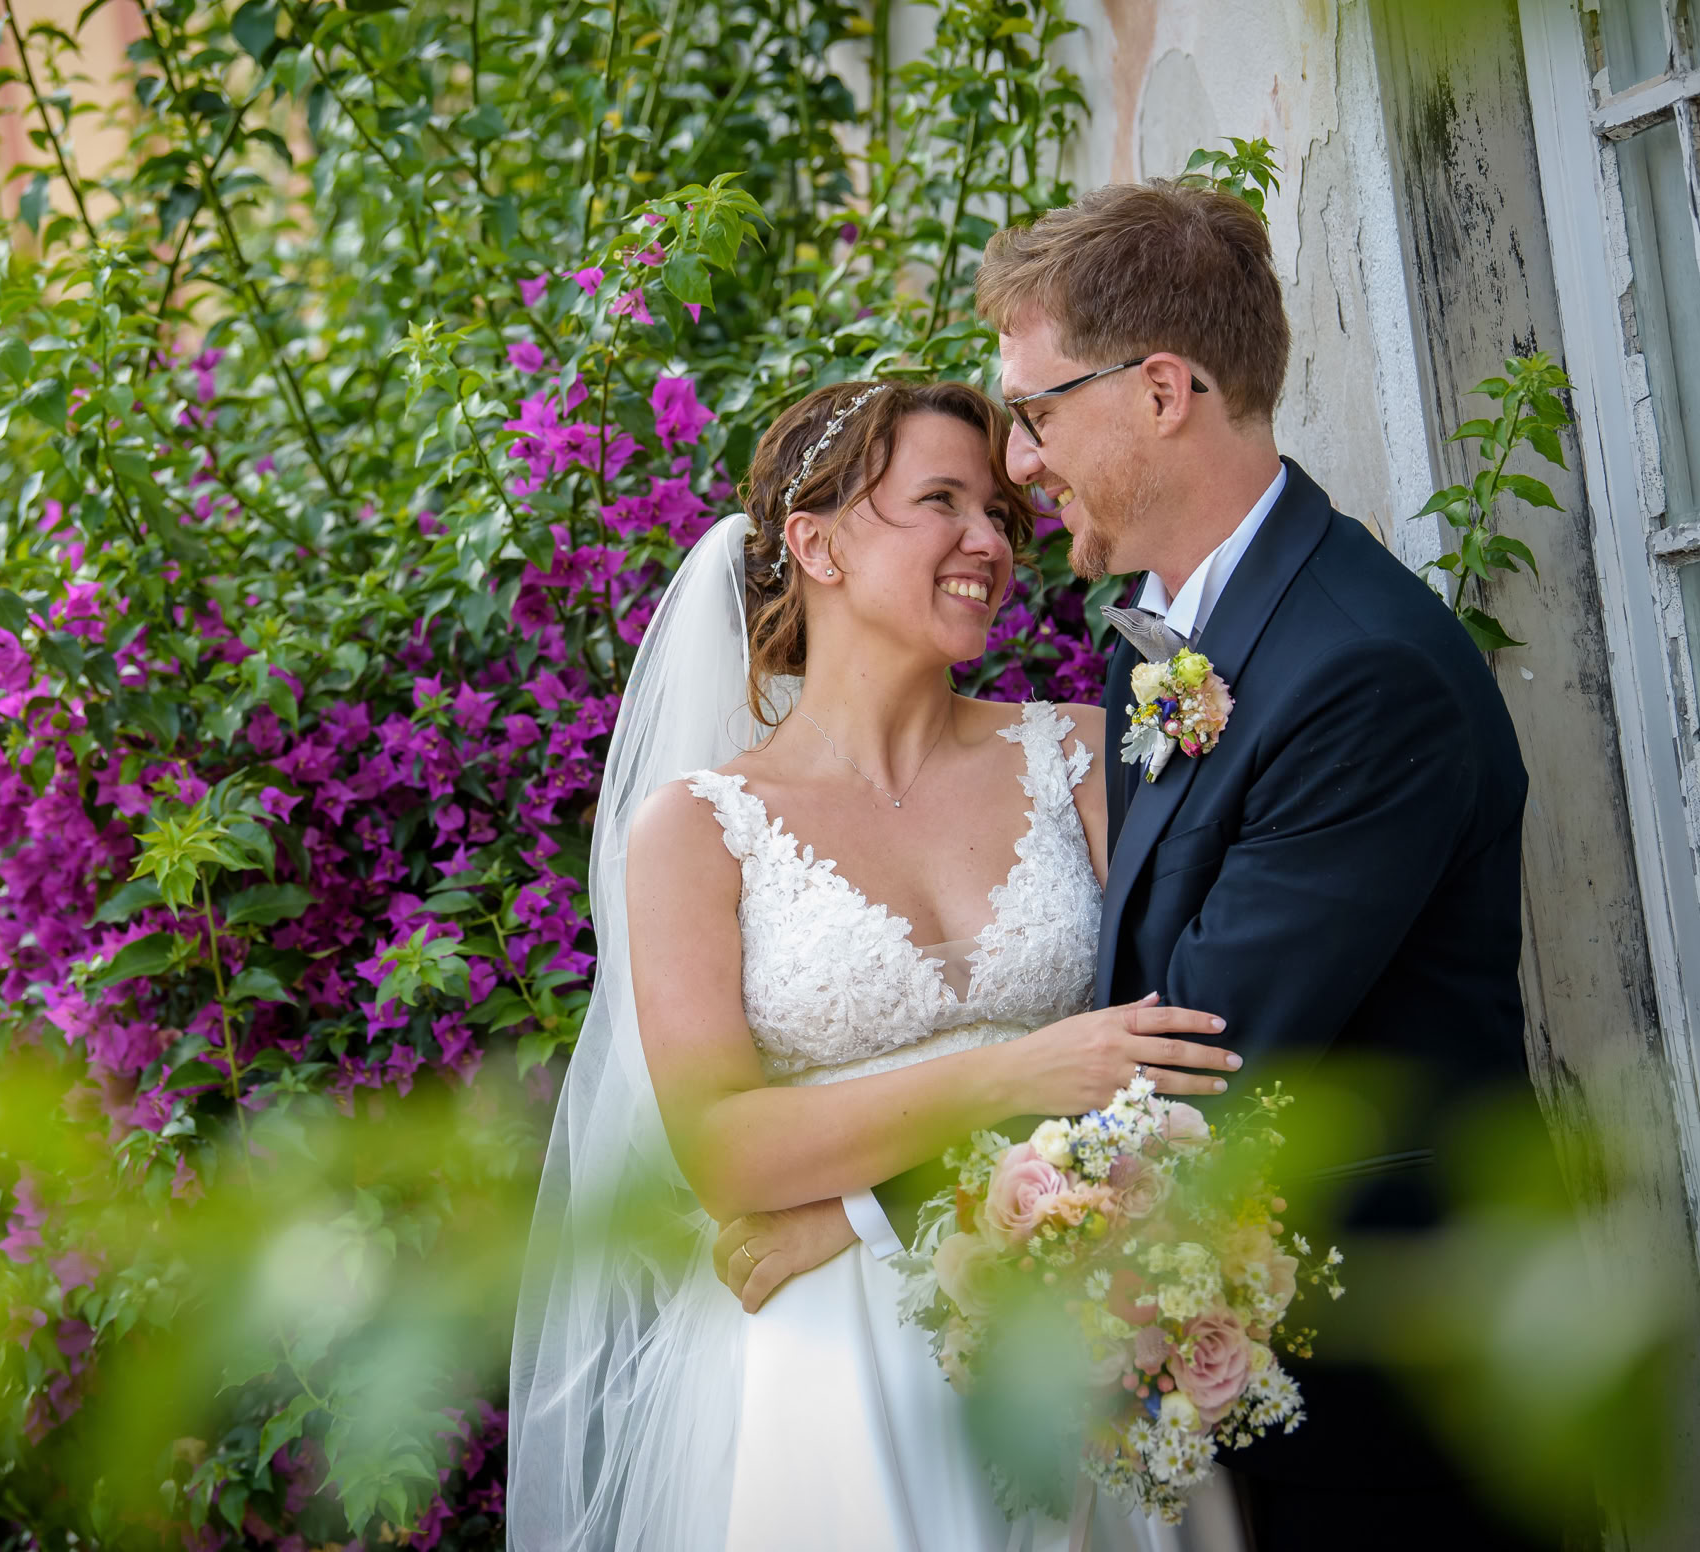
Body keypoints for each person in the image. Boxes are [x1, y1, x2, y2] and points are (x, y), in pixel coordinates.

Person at [737, 183, 1548, 1549]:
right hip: (1214, 1405)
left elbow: (1203, 1058)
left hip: (1388, 1410)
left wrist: (868, 1213)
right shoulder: (1170, 643)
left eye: (1039, 414)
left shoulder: (1359, 673)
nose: (1027, 464)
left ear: (1162, 389)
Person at [506, 376, 1247, 1550]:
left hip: (1074, 1331)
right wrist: (1016, 1074)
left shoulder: (1084, 755)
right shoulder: (696, 830)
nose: (989, 541)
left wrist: (859, 1211)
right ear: (817, 543)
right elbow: (727, 1153)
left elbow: (1174, 1056)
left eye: (1000, 510)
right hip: (823, 1377)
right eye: (941, 501)